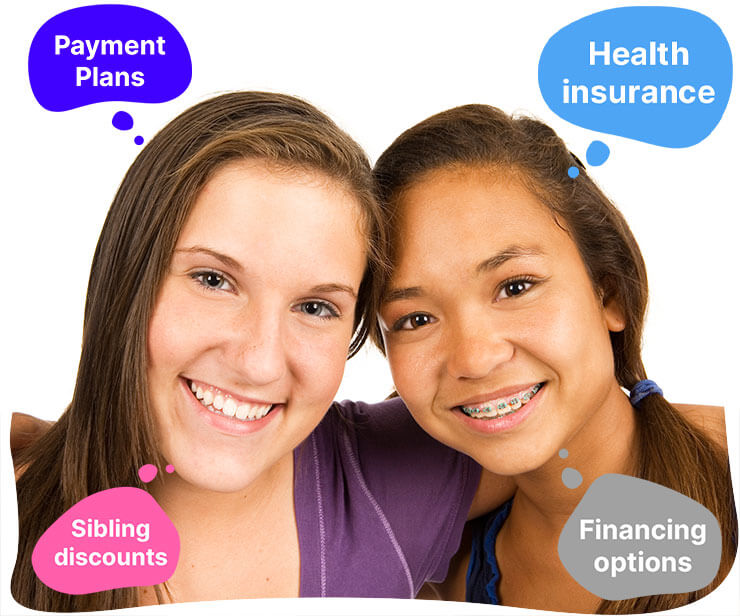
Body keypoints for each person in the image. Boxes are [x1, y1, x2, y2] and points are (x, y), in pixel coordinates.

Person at [10, 92, 508, 611]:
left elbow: (586, 421)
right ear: (126, 277)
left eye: (316, 307)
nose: (260, 362)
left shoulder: (392, 483)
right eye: (213, 280)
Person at [373, 104, 737, 613]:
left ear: (608, 295)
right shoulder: (435, 576)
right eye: (414, 320)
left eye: (515, 287)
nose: (474, 358)